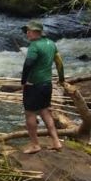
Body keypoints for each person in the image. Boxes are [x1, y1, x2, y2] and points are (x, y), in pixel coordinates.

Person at [20, 20, 67, 154]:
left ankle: (35, 145)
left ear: (37, 32)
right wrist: (62, 78)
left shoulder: (34, 46)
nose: (27, 33)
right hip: (47, 84)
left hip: (34, 85)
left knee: (30, 113)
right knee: (45, 111)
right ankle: (56, 142)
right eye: (26, 31)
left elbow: (28, 64)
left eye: (29, 31)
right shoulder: (51, 44)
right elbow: (59, 62)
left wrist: (23, 81)